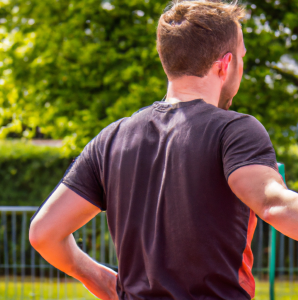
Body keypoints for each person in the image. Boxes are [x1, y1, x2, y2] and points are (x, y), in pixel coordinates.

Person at [29, 1, 298, 299]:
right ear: (225, 64)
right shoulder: (234, 131)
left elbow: (44, 233)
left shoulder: (111, 139)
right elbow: (275, 205)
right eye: (242, 58)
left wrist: (102, 280)